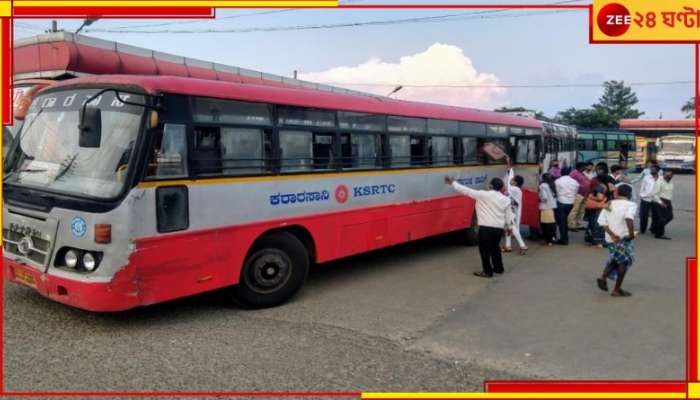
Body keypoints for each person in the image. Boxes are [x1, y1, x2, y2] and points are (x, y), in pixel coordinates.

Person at [446, 176, 513, 278]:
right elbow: (509, 215)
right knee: (495, 248)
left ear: (490, 186)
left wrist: (453, 183)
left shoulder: (483, 195)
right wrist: (509, 227)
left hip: (486, 228)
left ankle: (487, 271)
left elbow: (466, 191)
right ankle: (499, 268)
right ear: (501, 188)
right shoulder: (506, 200)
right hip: (498, 229)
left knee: (484, 250)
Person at [596, 184, 637, 297]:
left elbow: (602, 222)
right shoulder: (631, 204)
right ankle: (616, 289)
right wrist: (631, 234)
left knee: (615, 259)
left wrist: (612, 234)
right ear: (629, 194)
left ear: (617, 193)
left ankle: (603, 277)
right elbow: (629, 218)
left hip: (610, 239)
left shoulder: (609, 203)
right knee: (624, 262)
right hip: (623, 238)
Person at [502, 158, 528, 255]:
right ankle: (508, 246)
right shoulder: (515, 189)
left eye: (512, 180)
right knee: (507, 228)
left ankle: (523, 245)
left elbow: (508, 184)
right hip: (510, 212)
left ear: (515, 183)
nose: (510, 180)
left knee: (512, 228)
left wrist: (510, 166)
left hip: (512, 213)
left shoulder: (515, 189)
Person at [554, 167, 579, 245]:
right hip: (570, 203)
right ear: (569, 173)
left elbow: (556, 191)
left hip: (561, 202)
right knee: (564, 221)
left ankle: (564, 240)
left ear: (561, 172)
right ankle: (564, 238)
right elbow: (576, 191)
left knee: (561, 222)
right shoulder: (575, 182)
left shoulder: (557, 181)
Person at [651, 170, 674, 240]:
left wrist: (668, 202)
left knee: (670, 217)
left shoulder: (671, 182)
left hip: (668, 201)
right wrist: (661, 202)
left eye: (670, 175)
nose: (668, 176)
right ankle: (659, 234)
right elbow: (654, 194)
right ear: (663, 175)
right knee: (662, 219)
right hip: (660, 201)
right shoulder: (659, 182)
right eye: (667, 175)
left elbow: (669, 192)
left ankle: (655, 228)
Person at [568, 162, 591, 231]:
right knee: (575, 210)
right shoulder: (574, 173)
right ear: (580, 167)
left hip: (585, 194)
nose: (585, 168)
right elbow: (569, 182)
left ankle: (579, 224)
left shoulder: (582, 173)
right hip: (578, 194)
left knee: (581, 210)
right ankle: (571, 225)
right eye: (584, 166)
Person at [638, 165, 659, 234]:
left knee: (655, 215)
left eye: (653, 169)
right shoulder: (647, 178)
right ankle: (642, 230)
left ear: (657, 170)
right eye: (651, 169)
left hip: (656, 200)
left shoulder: (661, 178)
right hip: (646, 199)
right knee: (643, 215)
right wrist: (642, 195)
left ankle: (653, 228)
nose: (651, 170)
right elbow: (642, 187)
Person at [539, 173, 558, 246]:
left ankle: (548, 240)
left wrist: (539, 197)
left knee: (546, 225)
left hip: (545, 207)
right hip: (552, 206)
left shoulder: (543, 186)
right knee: (552, 223)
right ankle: (552, 238)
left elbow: (544, 197)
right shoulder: (552, 184)